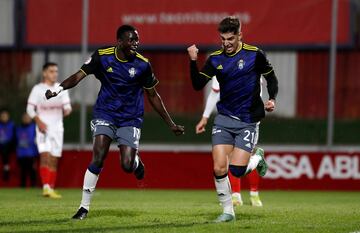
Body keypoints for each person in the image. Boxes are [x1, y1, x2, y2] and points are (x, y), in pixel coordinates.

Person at [45, 24, 185, 220]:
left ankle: (136, 162)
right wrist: (57, 90)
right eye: (131, 39)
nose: (136, 43)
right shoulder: (102, 56)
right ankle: (83, 208)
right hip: (106, 113)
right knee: (98, 156)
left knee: (126, 165)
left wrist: (170, 123)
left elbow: (153, 95)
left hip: (130, 118)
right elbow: (79, 75)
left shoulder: (143, 64)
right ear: (120, 42)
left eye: (137, 39)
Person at [187, 16, 278, 222]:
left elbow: (271, 77)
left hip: (248, 119)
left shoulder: (255, 55)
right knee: (219, 167)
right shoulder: (216, 59)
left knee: (236, 170)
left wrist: (272, 98)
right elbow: (197, 84)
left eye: (230, 38)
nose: (226, 43)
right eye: (223, 39)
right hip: (224, 118)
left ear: (239, 35)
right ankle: (228, 212)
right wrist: (193, 61)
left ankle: (257, 158)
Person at [196, 78, 264, 207]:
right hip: (228, 120)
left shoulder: (253, 62)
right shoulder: (221, 64)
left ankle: (254, 193)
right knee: (229, 158)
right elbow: (215, 92)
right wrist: (205, 117)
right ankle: (235, 195)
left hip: (248, 120)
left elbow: (258, 91)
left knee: (247, 157)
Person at [27, 62, 72, 198]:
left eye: (56, 71)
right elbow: (29, 109)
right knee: (45, 156)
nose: (55, 74)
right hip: (43, 128)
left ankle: (51, 188)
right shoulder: (38, 89)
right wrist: (38, 121)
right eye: (51, 71)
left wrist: (67, 110)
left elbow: (68, 107)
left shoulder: (61, 88)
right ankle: (46, 187)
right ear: (44, 73)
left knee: (54, 159)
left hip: (57, 128)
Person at [16, 113, 38, 187]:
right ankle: (22, 186)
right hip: (21, 154)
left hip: (31, 154)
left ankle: (33, 185)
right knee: (23, 171)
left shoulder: (35, 127)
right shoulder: (18, 128)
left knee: (32, 170)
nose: (26, 119)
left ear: (31, 119)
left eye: (27, 118)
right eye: (24, 117)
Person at [0, 108, 15, 181]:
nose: (4, 117)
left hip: (9, 146)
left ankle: (6, 168)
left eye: (5, 116)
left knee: (6, 151)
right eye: (2, 116)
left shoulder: (12, 125)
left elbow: (14, 137)